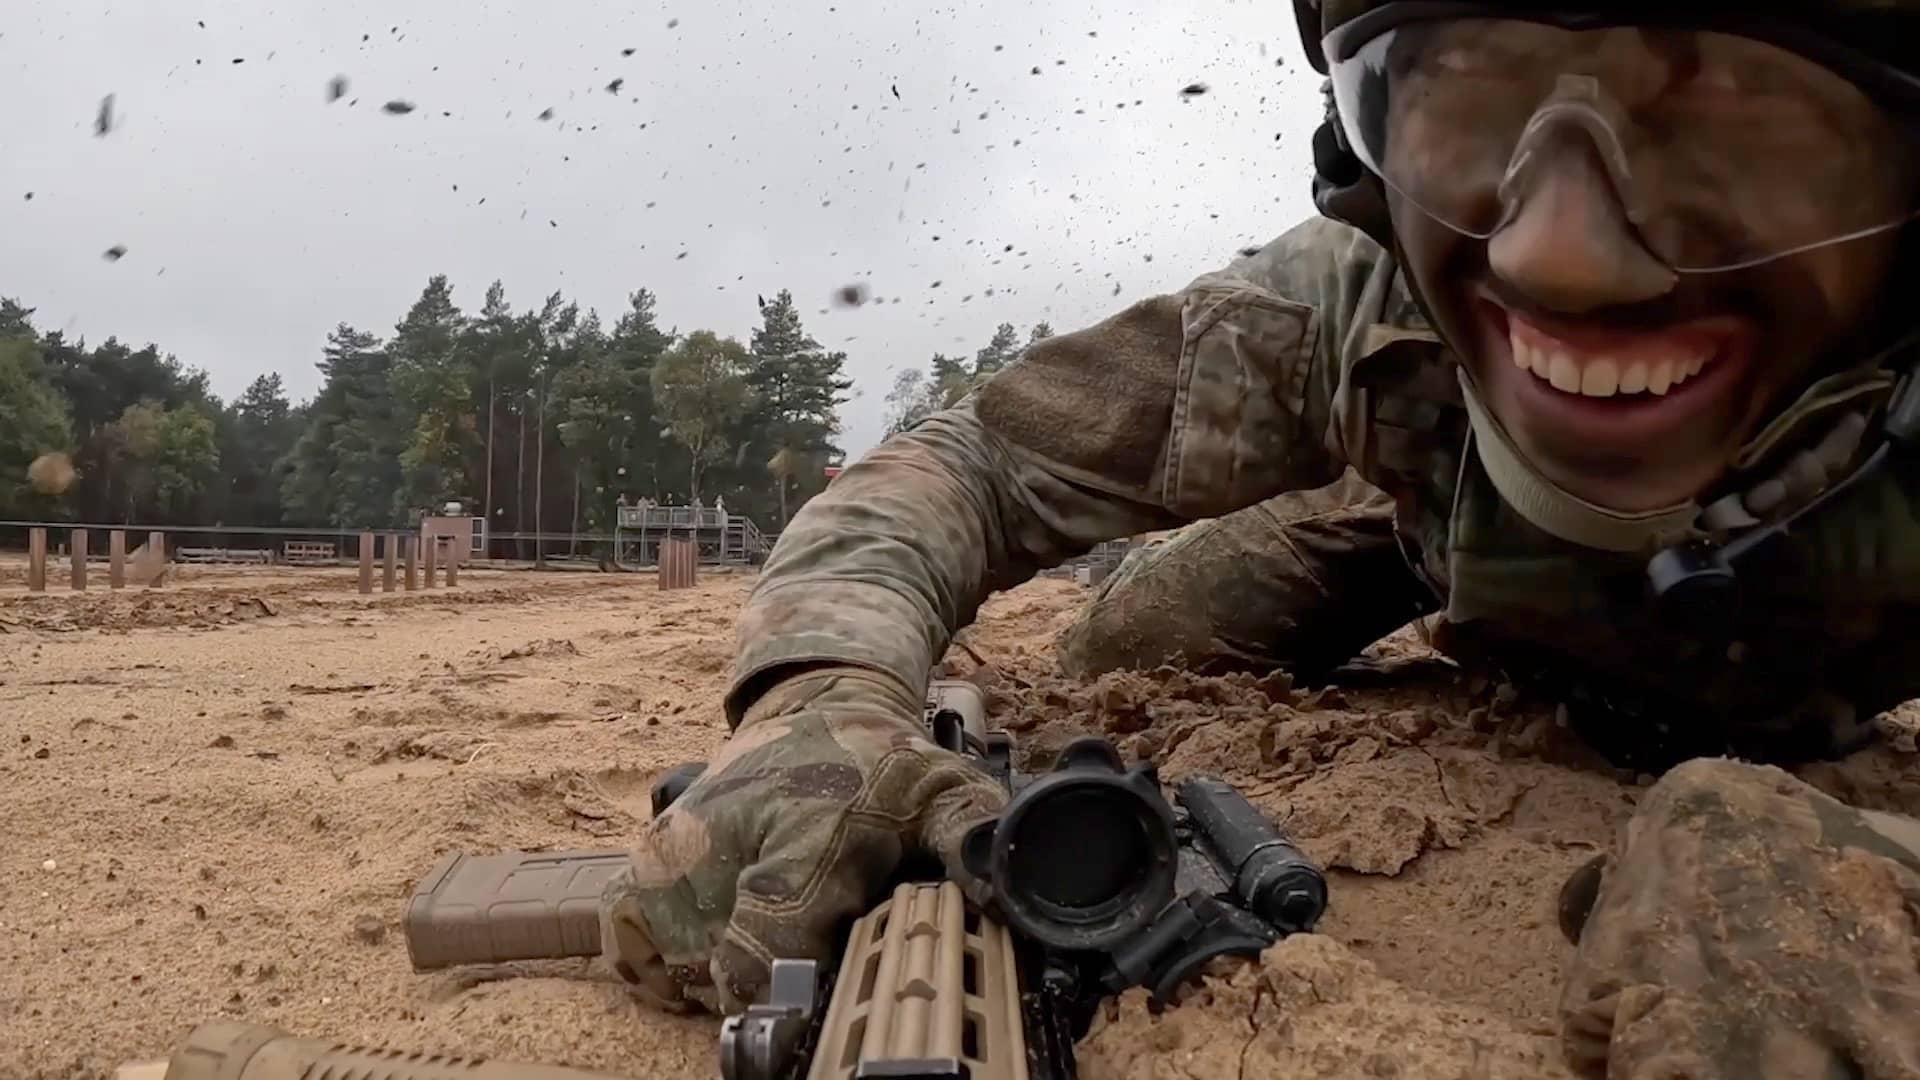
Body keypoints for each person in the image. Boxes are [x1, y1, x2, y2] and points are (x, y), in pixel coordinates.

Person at [599, 5, 1920, 1074]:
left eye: (1732, 112)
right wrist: (818, 701)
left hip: (1806, 677)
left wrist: (1864, 878)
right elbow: (970, 463)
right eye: (1470, 91)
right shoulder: (1356, 305)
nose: (1560, 257)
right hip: (1421, 546)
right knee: (1135, 633)